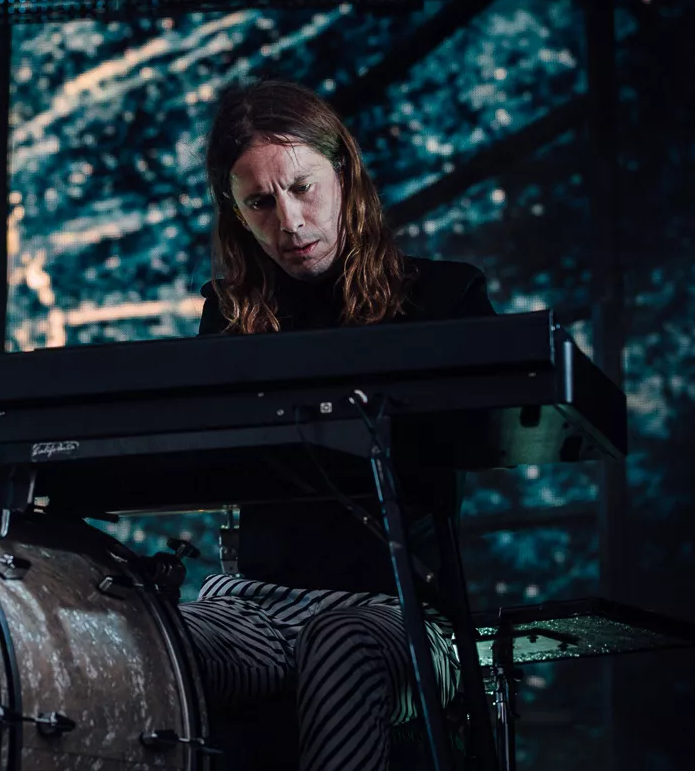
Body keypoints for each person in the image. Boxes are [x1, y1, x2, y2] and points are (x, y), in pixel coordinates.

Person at [179, 80, 495, 771]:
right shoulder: (229, 318)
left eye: (303, 188)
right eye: (260, 203)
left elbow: (487, 433)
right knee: (153, 639)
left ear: (344, 175)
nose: (290, 221)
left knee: (342, 642)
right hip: (257, 609)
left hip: (404, 616)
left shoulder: (445, 298)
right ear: (235, 213)